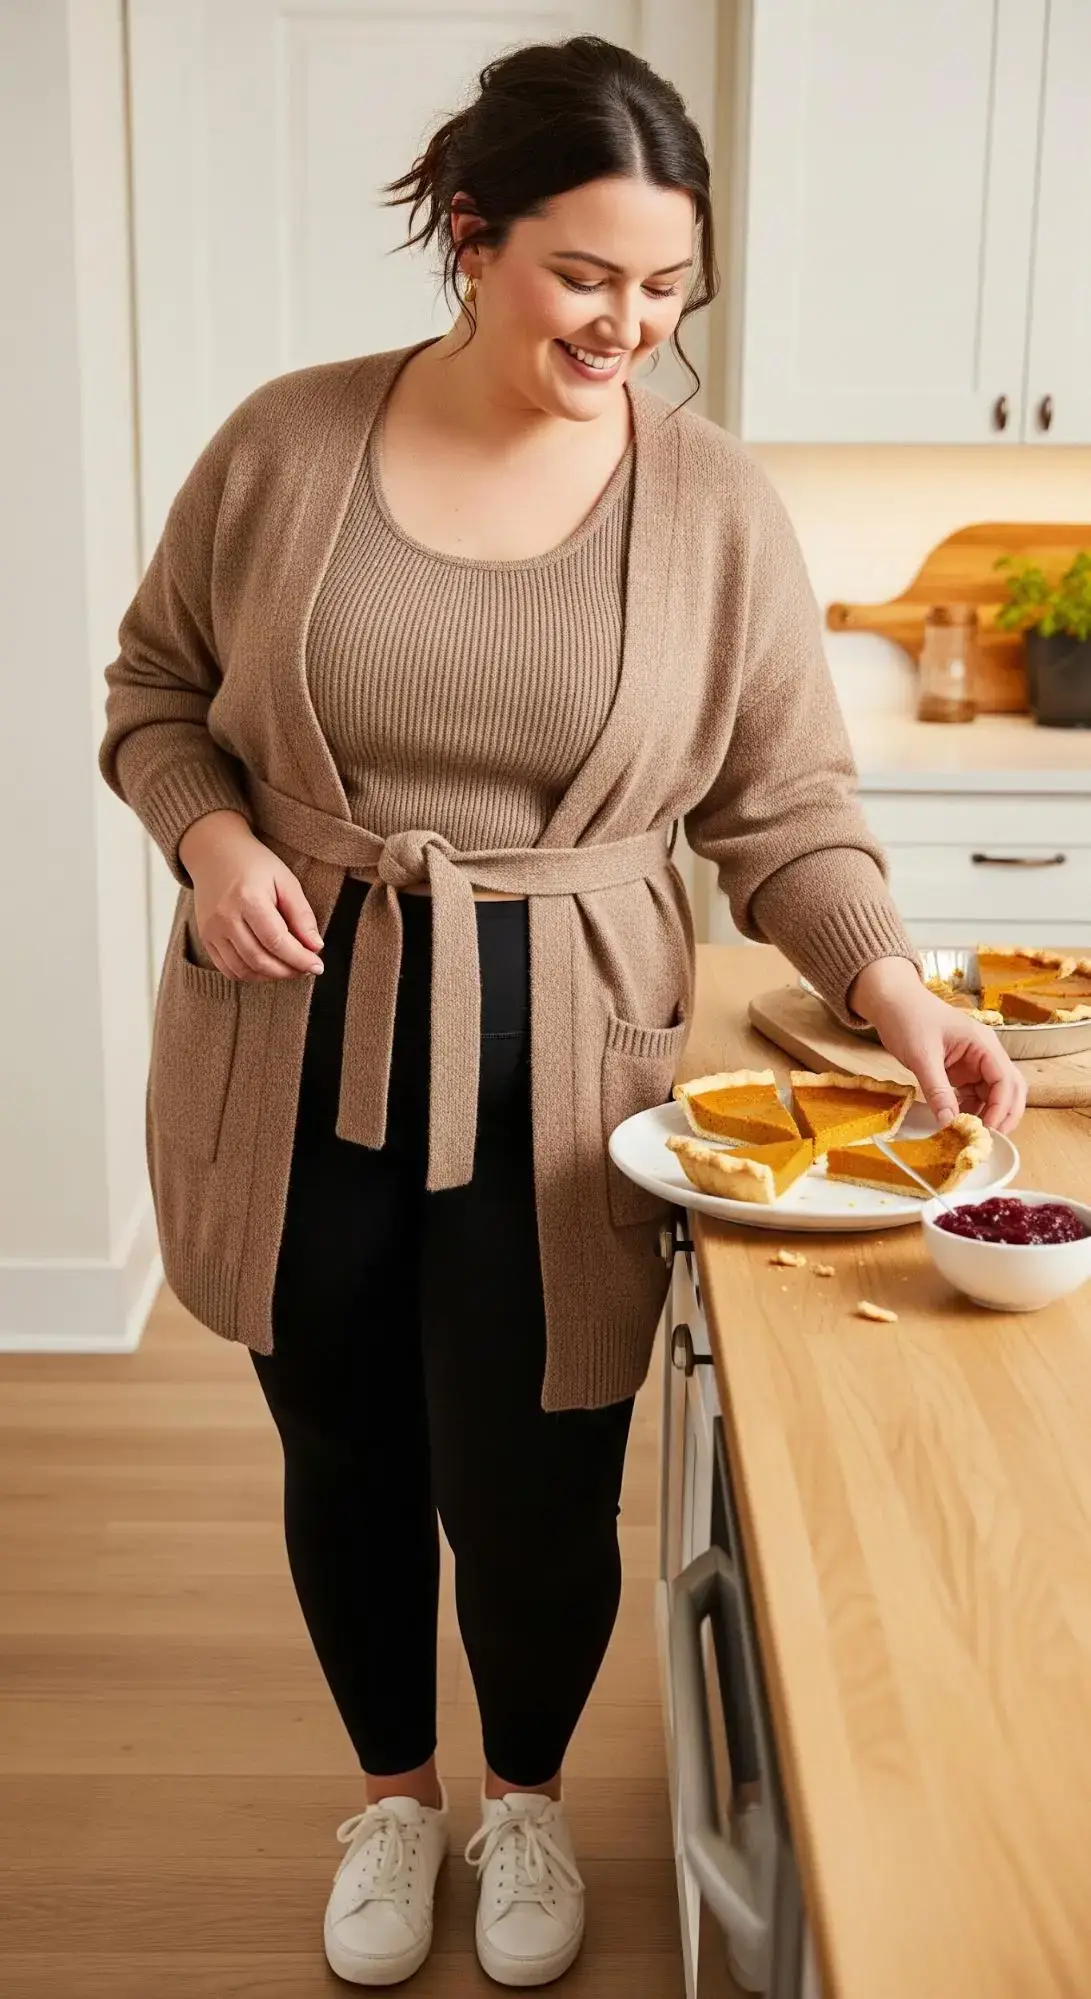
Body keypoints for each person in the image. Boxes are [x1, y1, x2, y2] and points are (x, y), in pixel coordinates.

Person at [97, 33, 1026, 1991]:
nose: (628, 324)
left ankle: (522, 1803)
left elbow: (780, 808)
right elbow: (154, 693)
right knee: (338, 1450)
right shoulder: (285, 444)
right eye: (583, 274)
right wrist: (209, 843)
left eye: (666, 286)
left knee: (530, 1476)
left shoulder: (707, 511)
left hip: (565, 1058)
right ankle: (393, 1794)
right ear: (469, 237)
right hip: (294, 1032)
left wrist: (888, 985)